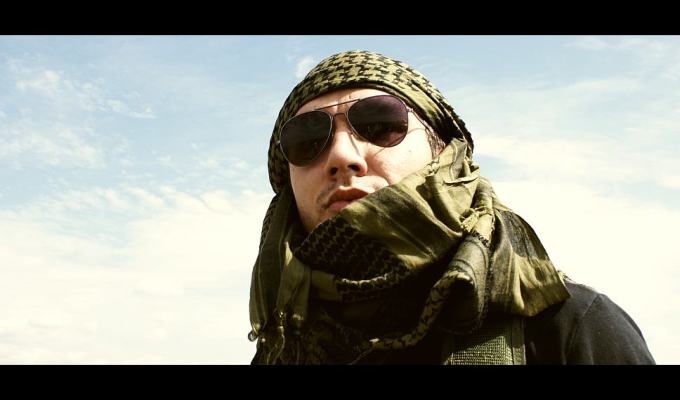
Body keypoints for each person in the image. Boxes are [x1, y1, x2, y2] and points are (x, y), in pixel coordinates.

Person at [248, 50, 655, 364]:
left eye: (380, 125)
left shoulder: (567, 328)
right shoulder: (279, 351)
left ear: (443, 153)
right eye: (306, 141)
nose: (341, 155)